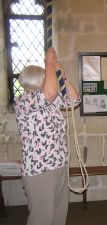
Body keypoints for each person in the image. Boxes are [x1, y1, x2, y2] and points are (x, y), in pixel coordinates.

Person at [15, 47, 80, 225]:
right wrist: (49, 61)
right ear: (37, 80)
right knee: (42, 218)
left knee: (59, 216)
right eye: (46, 76)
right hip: (39, 169)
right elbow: (50, 92)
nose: (48, 79)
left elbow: (75, 100)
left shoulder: (50, 102)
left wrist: (63, 76)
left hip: (58, 164)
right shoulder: (25, 101)